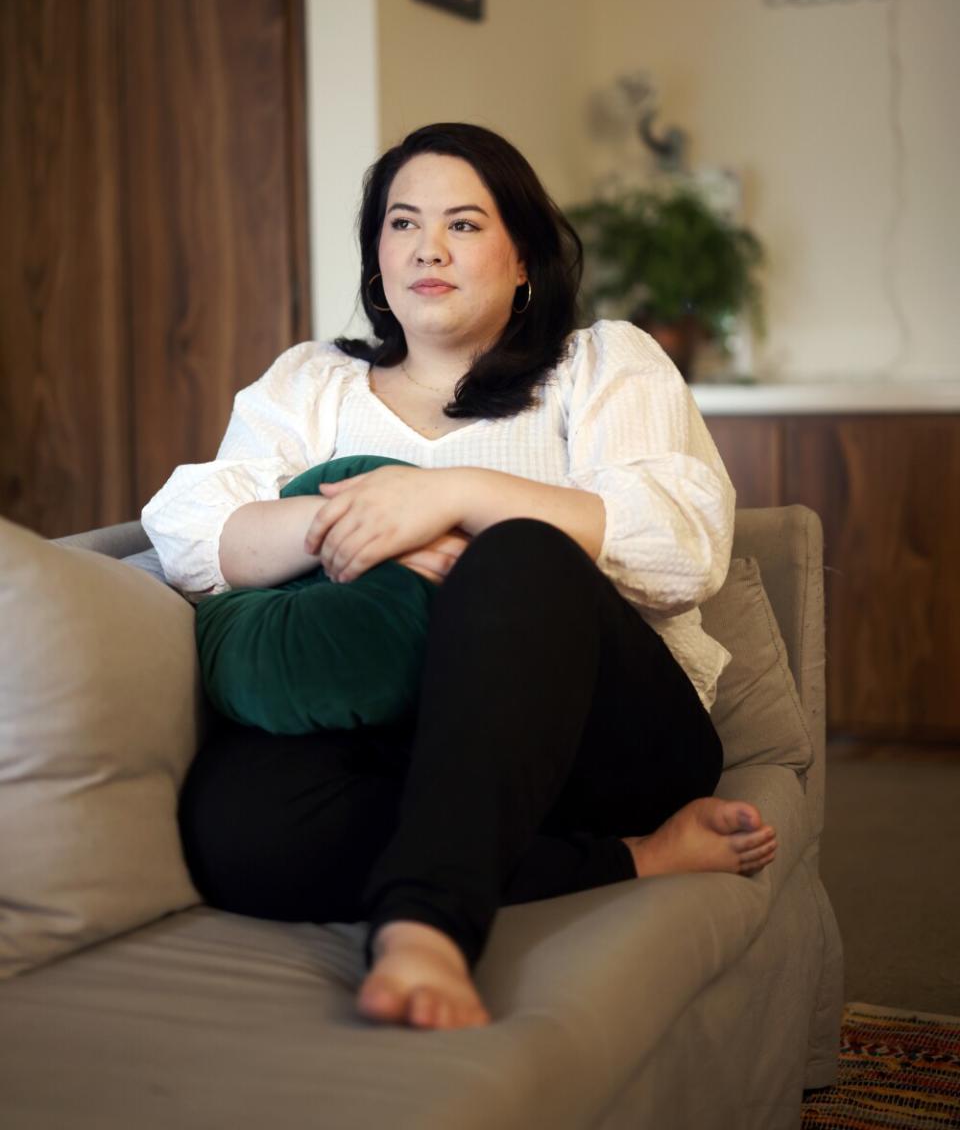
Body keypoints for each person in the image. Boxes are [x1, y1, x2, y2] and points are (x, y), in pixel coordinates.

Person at [141, 122, 778, 1033]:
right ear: (377, 256)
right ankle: (632, 859)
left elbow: (682, 544)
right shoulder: (308, 385)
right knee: (239, 831)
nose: (427, 248)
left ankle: (426, 926)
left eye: (465, 225)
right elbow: (193, 531)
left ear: (524, 258)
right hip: (392, 726)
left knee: (518, 551)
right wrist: (364, 530)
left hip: (602, 735)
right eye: (402, 223)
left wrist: (454, 496)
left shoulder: (603, 364)